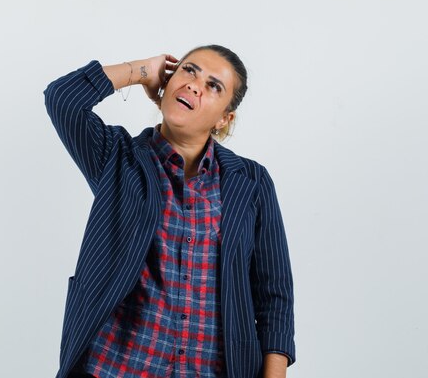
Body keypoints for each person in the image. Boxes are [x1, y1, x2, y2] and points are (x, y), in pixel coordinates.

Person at [44, 45, 295, 378]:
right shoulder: (117, 159)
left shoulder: (251, 182)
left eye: (213, 85)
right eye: (188, 70)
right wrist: (142, 71)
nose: (194, 85)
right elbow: (63, 98)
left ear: (224, 119)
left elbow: (274, 297)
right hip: (116, 369)